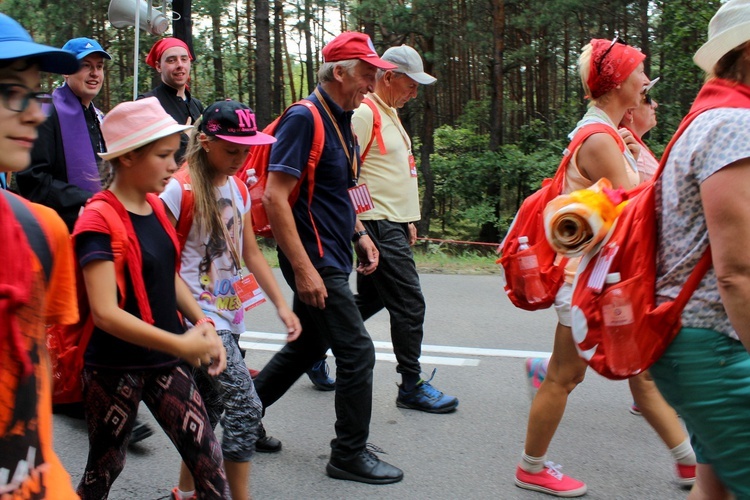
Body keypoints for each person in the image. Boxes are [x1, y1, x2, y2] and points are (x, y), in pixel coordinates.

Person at [515, 39, 696, 498]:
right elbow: (637, 205)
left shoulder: (609, 132)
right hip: (584, 280)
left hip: (597, 277)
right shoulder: (599, 139)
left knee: (628, 372)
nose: (646, 82)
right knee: (566, 376)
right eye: (640, 74)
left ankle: (689, 462)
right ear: (617, 82)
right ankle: (532, 467)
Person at [253, 31, 404, 484]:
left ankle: (239, 417)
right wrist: (302, 270)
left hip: (335, 250)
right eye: (366, 73)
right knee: (357, 351)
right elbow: (275, 197)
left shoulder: (343, 117)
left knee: (306, 347)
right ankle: (348, 454)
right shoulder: (306, 118)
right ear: (339, 72)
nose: (372, 83)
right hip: (313, 257)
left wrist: (360, 233)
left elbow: (340, 189)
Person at [72, 97, 230, 498]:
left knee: (209, 464)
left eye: (175, 154)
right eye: (162, 155)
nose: (173, 165)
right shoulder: (97, 220)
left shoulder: (157, 208)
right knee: (105, 468)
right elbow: (105, 313)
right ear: (127, 157)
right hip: (113, 368)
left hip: (166, 363)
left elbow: (168, 277)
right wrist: (181, 342)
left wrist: (203, 324)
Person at [161, 99, 302, 500]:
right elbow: (160, 262)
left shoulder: (238, 186)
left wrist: (280, 303)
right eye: (231, 150)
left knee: (207, 411)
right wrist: (191, 320)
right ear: (205, 141)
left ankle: (185, 493)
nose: (240, 158)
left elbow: (250, 251)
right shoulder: (179, 188)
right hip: (197, 321)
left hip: (228, 314)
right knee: (245, 411)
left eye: (245, 150)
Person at [650, 1, 750, 497]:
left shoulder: (704, 119)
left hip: (690, 341)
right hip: (711, 343)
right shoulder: (735, 126)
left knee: (713, 488)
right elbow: (737, 273)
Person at [0, 13, 82, 498]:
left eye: (36, 94)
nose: (35, 114)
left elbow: (35, 364)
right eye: (13, 92)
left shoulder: (40, 232)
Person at [351, 44, 458, 413]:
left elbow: (388, 171)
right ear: (389, 76)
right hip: (377, 225)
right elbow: (348, 176)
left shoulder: (389, 111)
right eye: (411, 84)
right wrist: (362, 228)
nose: (415, 93)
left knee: (371, 300)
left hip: (391, 222)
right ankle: (410, 385)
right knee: (410, 305)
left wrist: (407, 217)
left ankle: (314, 347)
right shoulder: (365, 113)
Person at [17, 37, 110, 232]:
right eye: (86, 65)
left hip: (100, 221)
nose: (95, 74)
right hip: (58, 227)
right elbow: (32, 179)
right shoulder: (44, 109)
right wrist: (87, 199)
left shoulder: (100, 118)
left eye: (99, 67)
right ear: (66, 71)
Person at [140, 37, 203, 164]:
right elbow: (145, 153)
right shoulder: (147, 103)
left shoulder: (196, 105)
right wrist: (184, 138)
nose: (180, 65)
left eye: (184, 59)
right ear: (158, 66)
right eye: (171, 60)